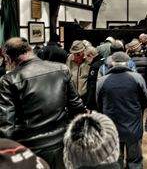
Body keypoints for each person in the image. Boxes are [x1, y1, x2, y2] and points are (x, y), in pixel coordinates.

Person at [0, 37, 85, 168]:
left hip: (30, 149)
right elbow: (76, 107)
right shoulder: (62, 69)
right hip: (61, 143)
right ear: (30, 50)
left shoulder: (8, 80)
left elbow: (6, 128)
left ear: (9, 58)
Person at [96, 51, 147, 169]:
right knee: (135, 160)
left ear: (111, 63)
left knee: (115, 160)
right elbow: (145, 101)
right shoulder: (137, 78)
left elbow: (98, 104)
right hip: (133, 126)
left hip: (112, 128)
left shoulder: (102, 81)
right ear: (128, 62)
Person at [66, 40, 90, 105]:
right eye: (74, 53)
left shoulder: (88, 59)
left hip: (85, 96)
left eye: (78, 53)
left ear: (83, 51)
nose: (76, 55)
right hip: (72, 96)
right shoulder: (70, 58)